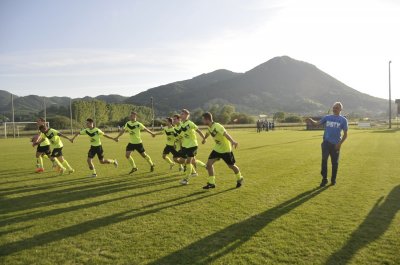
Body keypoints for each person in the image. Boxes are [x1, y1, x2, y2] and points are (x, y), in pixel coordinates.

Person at [306, 102, 348, 187]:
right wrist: (311, 120)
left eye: (336, 107)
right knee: (324, 161)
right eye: (334, 107)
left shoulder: (343, 120)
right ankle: (324, 179)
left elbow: (345, 134)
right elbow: (316, 123)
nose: (334, 109)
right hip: (326, 143)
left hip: (336, 144)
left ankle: (333, 180)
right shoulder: (327, 117)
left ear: (340, 109)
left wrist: (340, 144)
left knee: (335, 163)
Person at [201, 112, 244, 189]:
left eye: (203, 120)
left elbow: (225, 134)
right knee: (209, 165)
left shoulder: (217, 126)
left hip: (225, 150)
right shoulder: (209, 127)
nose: (202, 121)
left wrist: (232, 141)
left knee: (231, 166)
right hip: (217, 149)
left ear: (207, 119)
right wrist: (204, 138)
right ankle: (211, 183)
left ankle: (239, 178)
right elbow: (208, 133)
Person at [178, 109, 206, 185]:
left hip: (192, 145)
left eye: (183, 114)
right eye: (181, 114)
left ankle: (186, 180)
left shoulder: (190, 123)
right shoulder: (181, 124)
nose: (181, 115)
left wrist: (204, 138)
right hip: (185, 146)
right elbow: (181, 134)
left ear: (187, 115)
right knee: (182, 161)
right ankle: (205, 166)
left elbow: (199, 130)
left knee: (188, 162)